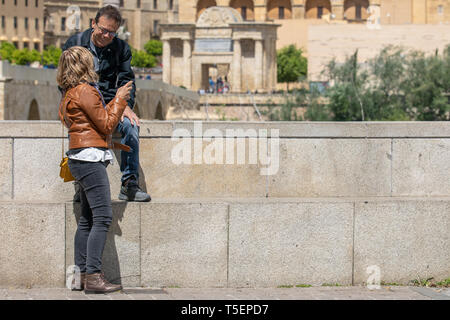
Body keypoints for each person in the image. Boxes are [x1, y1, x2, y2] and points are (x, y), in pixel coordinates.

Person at [57, 46, 133, 293]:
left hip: (79, 156)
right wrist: (121, 97)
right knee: (102, 217)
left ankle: (80, 276)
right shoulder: (86, 91)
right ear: (84, 65)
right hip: (90, 160)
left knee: (87, 219)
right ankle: (93, 276)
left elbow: (91, 123)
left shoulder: (70, 93)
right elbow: (108, 123)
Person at [63, 5, 150, 202]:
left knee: (131, 126)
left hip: (111, 103)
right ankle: (83, 186)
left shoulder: (121, 48)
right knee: (84, 130)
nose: (106, 35)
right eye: (103, 30)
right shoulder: (74, 44)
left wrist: (125, 105)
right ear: (93, 24)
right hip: (83, 105)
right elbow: (64, 80)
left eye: (112, 32)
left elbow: (127, 81)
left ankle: (129, 183)